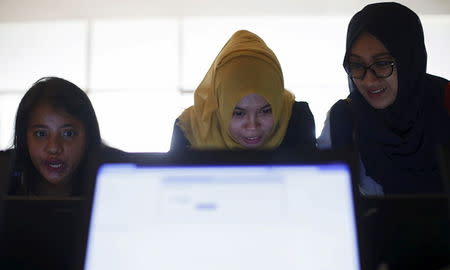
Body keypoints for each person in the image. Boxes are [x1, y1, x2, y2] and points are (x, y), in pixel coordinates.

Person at [318, 2, 450, 195]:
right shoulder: (343, 121)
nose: (368, 79)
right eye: (356, 65)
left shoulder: (446, 103)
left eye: (381, 63)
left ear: (409, 60)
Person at [171, 30, 315, 150]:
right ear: (219, 104)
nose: (252, 127)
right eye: (238, 113)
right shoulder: (190, 130)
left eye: (265, 111)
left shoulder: (295, 118)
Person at [7, 77, 122, 196]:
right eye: (41, 134)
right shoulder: (4, 175)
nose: (54, 148)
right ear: (24, 137)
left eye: (68, 134)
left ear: (88, 136)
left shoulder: (119, 176)